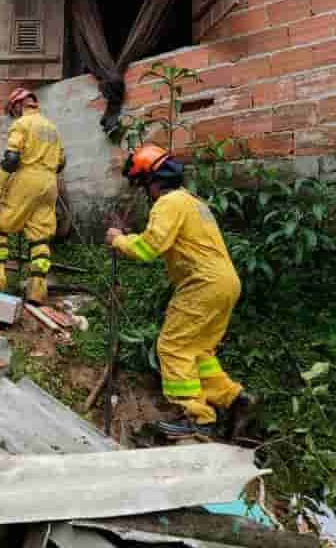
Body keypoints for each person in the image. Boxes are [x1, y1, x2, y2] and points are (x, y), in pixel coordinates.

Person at [105, 144, 259, 440]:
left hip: (202, 283)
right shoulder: (193, 202)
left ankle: (198, 419)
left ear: (153, 181)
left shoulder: (169, 203)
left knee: (172, 347)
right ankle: (235, 400)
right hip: (225, 283)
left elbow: (149, 247)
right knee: (199, 352)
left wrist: (119, 240)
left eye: (143, 186)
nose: (145, 194)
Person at [0, 88, 65, 304]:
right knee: (40, 236)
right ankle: (37, 292)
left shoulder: (22, 124)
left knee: (0, 227)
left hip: (26, 178)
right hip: (49, 183)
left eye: (14, 111)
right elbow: (61, 162)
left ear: (19, 105)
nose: (14, 115)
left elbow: (11, 159)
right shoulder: (53, 128)